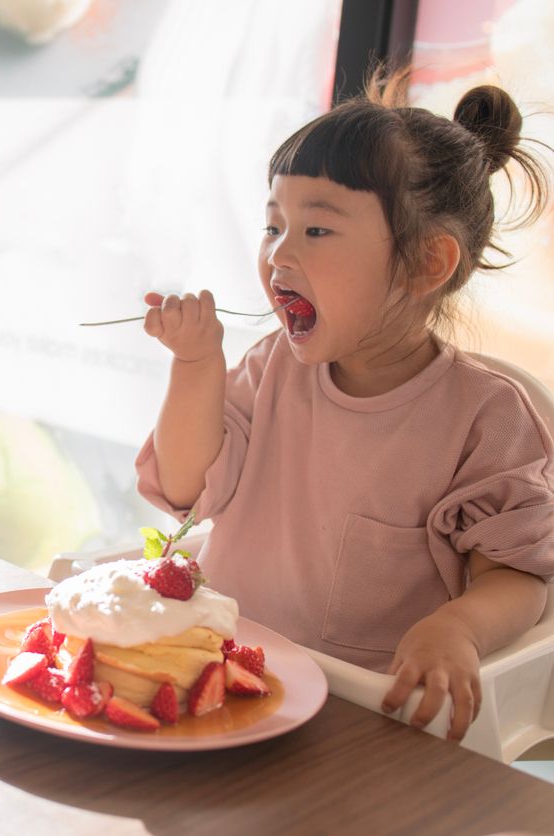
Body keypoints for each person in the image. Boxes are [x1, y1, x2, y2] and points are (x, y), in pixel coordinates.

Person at [134, 71, 554, 742]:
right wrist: (194, 365)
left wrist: (457, 628)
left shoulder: (487, 418)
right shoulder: (270, 367)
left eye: (318, 230)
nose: (279, 254)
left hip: (365, 723)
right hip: (221, 682)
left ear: (426, 265)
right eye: (273, 224)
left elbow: (521, 580)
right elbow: (185, 487)